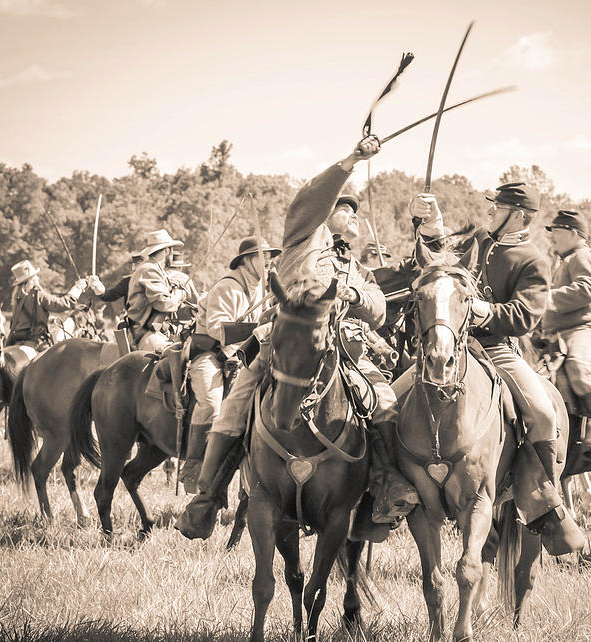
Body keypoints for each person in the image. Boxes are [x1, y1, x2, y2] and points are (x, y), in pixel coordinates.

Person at [176, 135, 418, 542]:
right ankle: (207, 495)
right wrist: (350, 162)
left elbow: (377, 309)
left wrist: (356, 293)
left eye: (353, 209)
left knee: (386, 403)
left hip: (346, 352)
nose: (352, 213)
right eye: (344, 207)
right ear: (327, 215)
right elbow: (311, 197)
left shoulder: (354, 266)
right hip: (285, 347)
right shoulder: (304, 237)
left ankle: (384, 484)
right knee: (235, 404)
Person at [408, 183, 585, 554]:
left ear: (518, 214)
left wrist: (486, 312)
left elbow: (526, 315)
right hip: (451, 345)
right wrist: (429, 218)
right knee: (390, 403)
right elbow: (440, 254)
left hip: (496, 349)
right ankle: (386, 489)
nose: (491, 211)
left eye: (498, 206)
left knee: (543, 413)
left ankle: (545, 502)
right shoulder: (477, 240)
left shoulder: (532, 259)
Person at [178, 236, 281, 492]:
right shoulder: (228, 286)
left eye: (270, 258)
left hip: (241, 358)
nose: (268, 262)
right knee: (211, 404)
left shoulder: (260, 288)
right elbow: (217, 329)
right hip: (211, 355)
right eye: (263, 257)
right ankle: (193, 467)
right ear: (247, 260)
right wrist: (256, 329)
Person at [541, 209, 591, 463]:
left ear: (574, 234)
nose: (552, 237)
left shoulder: (583, 256)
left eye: (556, 232)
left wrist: (547, 298)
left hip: (587, 329)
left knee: (579, 367)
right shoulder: (565, 260)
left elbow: (588, 289)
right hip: (561, 332)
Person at [124, 229, 191, 352]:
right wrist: (179, 294)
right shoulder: (149, 269)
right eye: (171, 250)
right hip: (145, 334)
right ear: (166, 250)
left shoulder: (155, 269)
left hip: (152, 332)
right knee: (173, 359)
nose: (172, 253)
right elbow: (164, 304)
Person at [5, 259, 93, 349]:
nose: (37, 278)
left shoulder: (17, 298)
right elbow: (62, 304)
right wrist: (78, 288)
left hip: (16, 340)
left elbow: (26, 320)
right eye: (35, 276)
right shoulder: (39, 295)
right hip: (35, 341)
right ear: (30, 280)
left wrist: (47, 319)